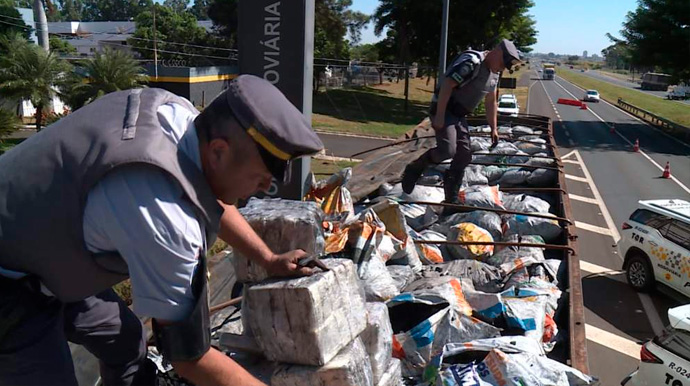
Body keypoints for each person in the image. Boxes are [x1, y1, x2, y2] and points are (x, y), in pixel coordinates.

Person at [0, 75, 324, 386]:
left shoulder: (177, 118)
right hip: (11, 284)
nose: (265, 187)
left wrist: (269, 258)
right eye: (261, 177)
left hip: (42, 246)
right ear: (219, 151)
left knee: (126, 341)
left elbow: (211, 195)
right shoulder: (165, 219)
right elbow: (189, 358)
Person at [401, 39, 522, 203]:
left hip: (459, 115)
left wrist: (493, 128)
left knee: (464, 155)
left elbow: (490, 100)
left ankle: (451, 199)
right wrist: (440, 116)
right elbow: (447, 85)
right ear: (497, 52)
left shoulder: (495, 72)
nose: (502, 68)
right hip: (445, 109)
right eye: (502, 63)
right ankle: (415, 167)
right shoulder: (472, 62)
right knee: (448, 150)